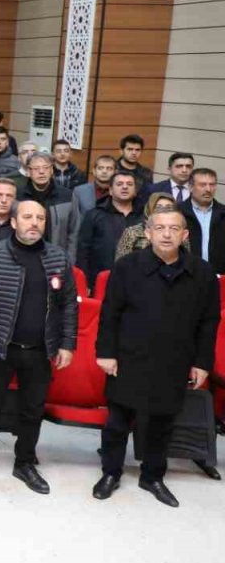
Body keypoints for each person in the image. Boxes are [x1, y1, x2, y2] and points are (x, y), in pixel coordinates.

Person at [93, 209, 219, 508]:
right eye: (159, 228)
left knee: (161, 423)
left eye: (174, 228)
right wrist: (106, 353)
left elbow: (209, 322)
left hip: (174, 360)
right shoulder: (127, 267)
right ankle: (110, 472)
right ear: (147, 233)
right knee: (117, 423)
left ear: (185, 235)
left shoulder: (202, 273)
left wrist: (202, 362)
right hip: (128, 357)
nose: (166, 234)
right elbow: (110, 313)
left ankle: (152, 476)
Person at [0, 199, 77, 494]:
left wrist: (67, 344)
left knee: (32, 409)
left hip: (41, 349)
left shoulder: (58, 258)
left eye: (40, 218)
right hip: (0, 346)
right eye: (27, 217)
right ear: (13, 222)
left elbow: (68, 307)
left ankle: (25, 462)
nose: (35, 222)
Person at [77, 170, 141, 289]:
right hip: (99, 282)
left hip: (136, 282)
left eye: (129, 184)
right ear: (110, 190)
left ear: (136, 191)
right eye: (119, 184)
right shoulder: (94, 215)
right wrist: (84, 283)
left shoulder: (144, 218)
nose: (125, 187)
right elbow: (83, 251)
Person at [17, 153, 79, 261]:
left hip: (57, 257)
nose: (41, 172)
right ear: (28, 171)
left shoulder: (67, 196)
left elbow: (74, 231)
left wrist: (69, 260)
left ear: (51, 170)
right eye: (36, 168)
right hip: (23, 256)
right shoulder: (18, 196)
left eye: (46, 167)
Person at [182, 167, 225, 275]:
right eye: (202, 185)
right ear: (190, 187)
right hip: (185, 275)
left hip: (218, 276)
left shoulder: (223, 213)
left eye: (212, 185)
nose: (208, 189)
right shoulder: (178, 213)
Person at [116, 192, 180, 261]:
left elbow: (186, 261)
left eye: (168, 208)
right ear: (149, 209)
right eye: (158, 207)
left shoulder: (179, 232)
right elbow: (121, 265)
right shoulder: (132, 232)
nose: (163, 211)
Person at [72, 154, 116, 218]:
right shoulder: (79, 191)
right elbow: (74, 219)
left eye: (109, 169)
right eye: (100, 168)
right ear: (94, 171)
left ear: (115, 172)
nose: (104, 171)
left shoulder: (120, 191)